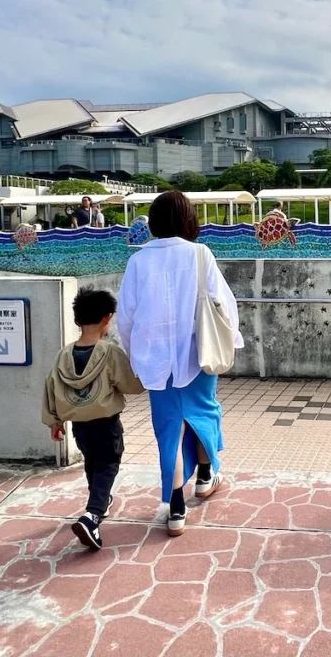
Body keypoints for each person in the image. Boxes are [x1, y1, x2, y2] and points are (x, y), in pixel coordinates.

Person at [117, 191, 243, 537]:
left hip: (157, 362)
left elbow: (126, 318)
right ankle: (205, 478)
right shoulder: (200, 253)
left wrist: (135, 357)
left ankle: (176, 508)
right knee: (204, 412)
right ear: (188, 219)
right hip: (198, 354)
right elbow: (223, 304)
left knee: (170, 429)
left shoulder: (138, 261)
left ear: (154, 222)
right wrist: (231, 341)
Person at [43, 288, 144, 550]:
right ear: (107, 319)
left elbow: (51, 387)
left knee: (92, 462)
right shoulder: (109, 352)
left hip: (79, 427)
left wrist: (55, 421)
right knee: (108, 464)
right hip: (106, 422)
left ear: (77, 320)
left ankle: (99, 502)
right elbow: (132, 385)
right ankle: (92, 516)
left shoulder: (64, 354)